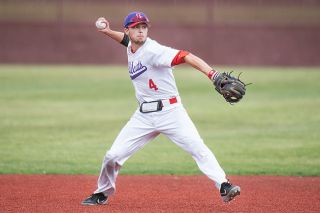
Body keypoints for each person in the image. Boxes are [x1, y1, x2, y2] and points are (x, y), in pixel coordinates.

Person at [82, 11, 240, 206]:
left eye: (143, 27)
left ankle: (224, 185)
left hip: (171, 112)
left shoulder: (154, 50)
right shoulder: (131, 46)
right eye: (136, 28)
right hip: (143, 116)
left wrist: (213, 75)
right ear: (128, 31)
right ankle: (102, 193)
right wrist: (107, 31)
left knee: (197, 147)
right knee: (112, 156)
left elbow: (186, 56)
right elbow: (125, 41)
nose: (140, 31)